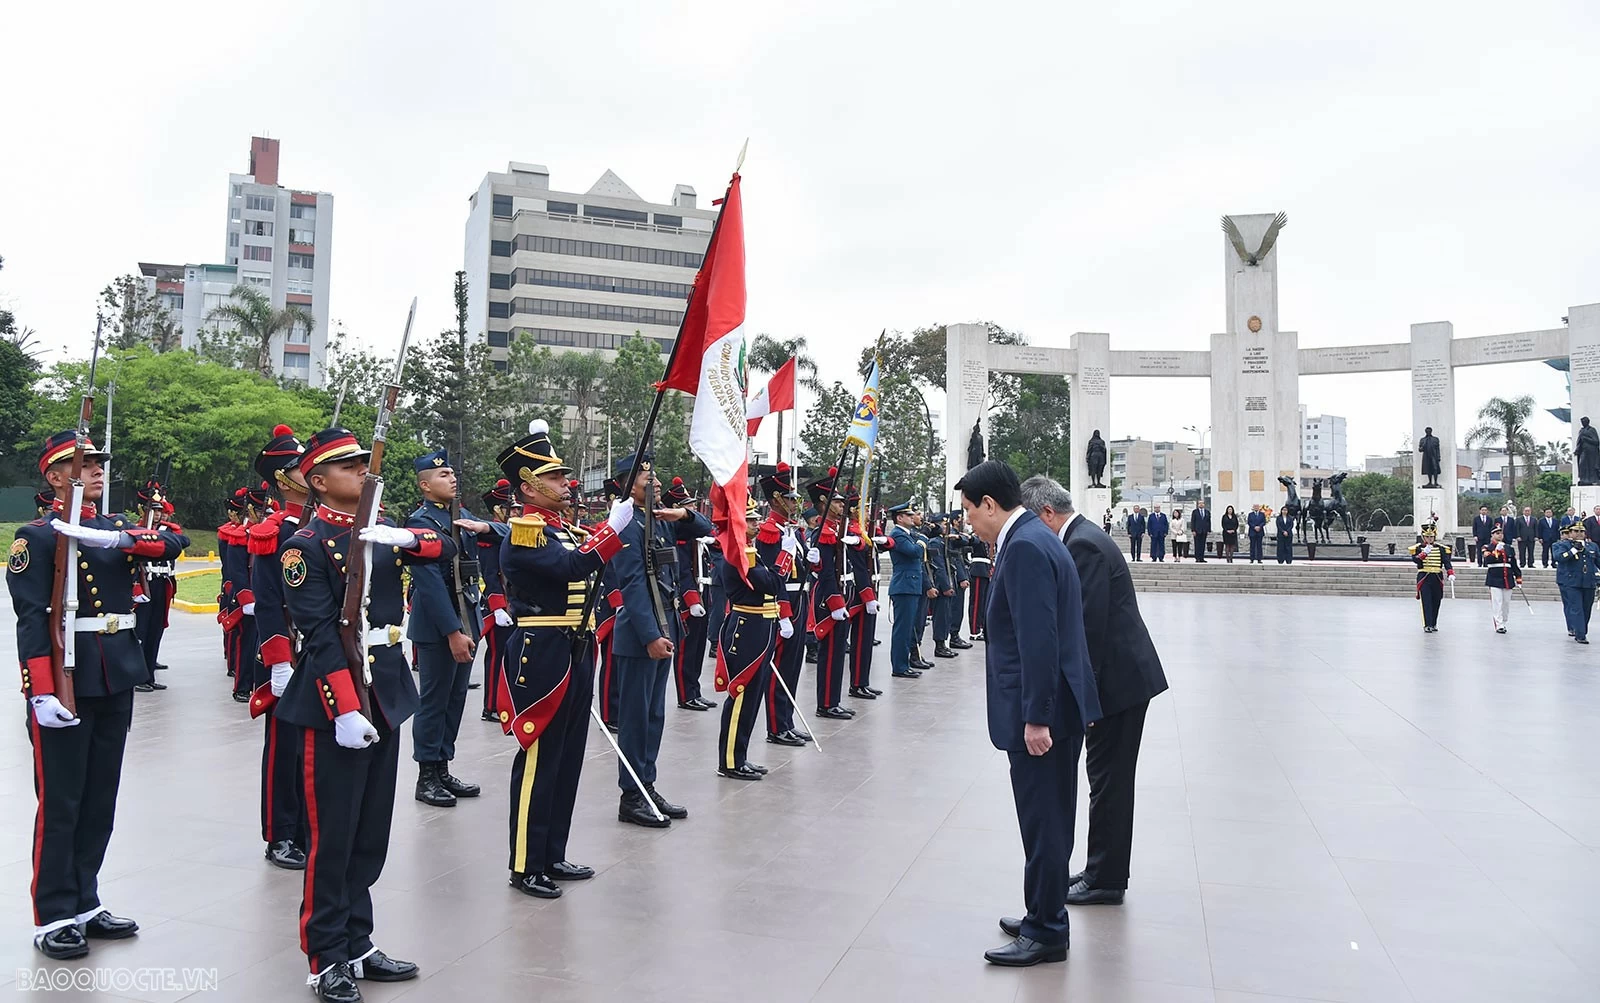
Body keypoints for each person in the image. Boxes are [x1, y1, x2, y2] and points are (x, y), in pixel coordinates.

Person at [275, 427, 453, 1001]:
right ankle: (326, 954)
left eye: (362, 463)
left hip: (385, 692)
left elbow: (450, 547)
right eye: (348, 467)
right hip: (336, 704)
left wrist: (403, 534)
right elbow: (322, 635)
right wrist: (345, 709)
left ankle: (358, 939)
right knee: (332, 837)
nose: (362, 472)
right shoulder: (304, 546)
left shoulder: (377, 532)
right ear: (319, 482)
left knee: (370, 833)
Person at [9, 430, 186, 960]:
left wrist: (118, 541)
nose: (97, 471)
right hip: (67, 676)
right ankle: (54, 913)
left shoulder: (113, 528)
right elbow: (30, 621)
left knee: (100, 798)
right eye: (84, 464)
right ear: (55, 476)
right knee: (62, 801)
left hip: (115, 673)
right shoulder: (36, 538)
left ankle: (85, 900)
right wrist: (40, 691)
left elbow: (172, 542)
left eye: (99, 464)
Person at [955, 461, 1099, 967]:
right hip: (1053, 705)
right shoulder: (1036, 538)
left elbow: (1040, 640)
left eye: (971, 512)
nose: (969, 522)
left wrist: (1036, 716)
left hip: (1044, 713)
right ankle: (1043, 910)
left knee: (1044, 821)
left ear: (990, 505)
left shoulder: (1025, 549)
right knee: (1048, 817)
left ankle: (1046, 930)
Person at [493, 421, 629, 898]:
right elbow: (572, 568)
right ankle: (525, 864)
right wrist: (612, 528)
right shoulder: (526, 534)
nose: (565, 485)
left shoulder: (565, 530)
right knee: (539, 758)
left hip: (577, 647)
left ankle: (552, 851)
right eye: (553, 479)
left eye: (563, 477)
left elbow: (588, 567)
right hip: (544, 651)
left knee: (568, 757)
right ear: (529, 487)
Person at [1019, 476, 1167, 907]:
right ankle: (1101, 866)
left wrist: (1084, 702)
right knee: (1106, 780)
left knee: (1110, 782)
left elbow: (1087, 630)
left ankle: (1106, 878)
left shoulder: (1081, 544)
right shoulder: (1085, 536)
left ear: (1047, 513)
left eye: (1033, 522)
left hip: (1118, 686)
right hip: (1120, 681)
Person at [609, 453, 712, 827]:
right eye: (645, 477)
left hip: (666, 625)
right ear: (626, 484)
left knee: (654, 716)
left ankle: (647, 785)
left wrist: (682, 515)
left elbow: (707, 528)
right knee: (635, 719)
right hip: (641, 635)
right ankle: (631, 795)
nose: (654, 482)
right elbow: (633, 585)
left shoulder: (660, 519)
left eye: (655, 476)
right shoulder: (626, 525)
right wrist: (651, 635)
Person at [405, 449, 487, 808]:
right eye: (443, 476)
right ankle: (426, 776)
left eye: (453, 474)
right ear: (425, 485)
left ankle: (442, 767)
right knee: (433, 701)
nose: (452, 479)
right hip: (440, 626)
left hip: (468, 618)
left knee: (455, 700)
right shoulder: (419, 524)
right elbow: (430, 584)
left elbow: (497, 534)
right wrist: (453, 631)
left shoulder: (462, 516)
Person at [248, 426, 310, 872]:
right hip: (289, 654)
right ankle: (281, 833)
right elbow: (269, 603)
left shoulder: (329, 524)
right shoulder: (274, 531)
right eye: (299, 467)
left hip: (324, 652)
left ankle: (309, 827)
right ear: (283, 479)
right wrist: (279, 662)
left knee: (315, 749)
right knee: (284, 748)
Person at [714, 496, 792, 780]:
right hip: (747, 627)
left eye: (757, 519)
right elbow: (771, 583)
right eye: (750, 520)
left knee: (754, 694)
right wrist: (784, 560)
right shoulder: (738, 553)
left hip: (761, 626)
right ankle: (730, 761)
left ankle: (740, 755)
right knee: (742, 693)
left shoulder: (749, 550)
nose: (757, 524)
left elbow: (770, 583)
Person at [761, 465, 812, 745]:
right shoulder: (770, 531)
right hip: (784, 603)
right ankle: (776, 726)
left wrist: (810, 561)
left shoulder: (794, 531)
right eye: (790, 498)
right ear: (776, 500)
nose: (795, 503)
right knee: (779, 666)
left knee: (793, 665)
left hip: (800, 598)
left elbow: (799, 568)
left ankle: (787, 720)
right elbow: (773, 576)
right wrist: (783, 612)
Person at [808, 467, 864, 714]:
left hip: (842, 594)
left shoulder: (836, 529)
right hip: (829, 598)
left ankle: (833, 700)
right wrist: (835, 602)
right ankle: (827, 703)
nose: (842, 505)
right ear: (824, 503)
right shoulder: (823, 532)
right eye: (837, 501)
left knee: (839, 650)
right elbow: (827, 572)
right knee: (830, 652)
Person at [663, 478, 715, 712]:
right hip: (687, 600)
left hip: (703, 594)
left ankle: (695, 690)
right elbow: (682, 572)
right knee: (686, 650)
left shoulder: (696, 537)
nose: (692, 509)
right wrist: (692, 600)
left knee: (698, 649)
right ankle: (686, 695)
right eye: (686, 506)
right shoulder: (679, 539)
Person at [131, 480, 186, 692]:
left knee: (155, 629)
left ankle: (148, 674)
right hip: (145, 584)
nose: (159, 513)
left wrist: (158, 533)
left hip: (162, 583)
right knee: (141, 630)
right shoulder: (136, 529)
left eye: (159, 509)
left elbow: (183, 541)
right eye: (153, 509)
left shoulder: (166, 531)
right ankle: (138, 675)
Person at [477, 479, 516, 723]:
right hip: (498, 605)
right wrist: (498, 606)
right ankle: (491, 705)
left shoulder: (513, 532)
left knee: (510, 657)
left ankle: (506, 704)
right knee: (497, 656)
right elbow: (490, 573)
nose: (515, 513)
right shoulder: (488, 535)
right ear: (498, 510)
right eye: (510, 509)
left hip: (515, 603)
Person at [846, 484, 889, 697]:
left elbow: (888, 544)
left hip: (871, 587)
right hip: (860, 592)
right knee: (860, 640)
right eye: (863, 508)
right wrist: (867, 596)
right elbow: (859, 567)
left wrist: (882, 539)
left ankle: (862, 680)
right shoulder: (853, 531)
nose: (866, 511)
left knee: (867, 640)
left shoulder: (864, 529)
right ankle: (856, 683)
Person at [884, 501, 926, 680]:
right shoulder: (898, 535)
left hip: (910, 585)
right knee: (902, 629)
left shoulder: (907, 534)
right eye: (908, 515)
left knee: (908, 628)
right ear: (899, 518)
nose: (912, 517)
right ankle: (900, 666)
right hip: (904, 586)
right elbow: (914, 552)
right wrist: (922, 542)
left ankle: (905, 663)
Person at [1554, 522, 1599, 643]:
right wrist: (1573, 550)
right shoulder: (1564, 545)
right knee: (1576, 608)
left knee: (1586, 609)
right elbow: (1559, 557)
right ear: (1570, 533)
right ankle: (1580, 634)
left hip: (1589, 582)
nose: (1579, 534)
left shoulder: (1592, 546)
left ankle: (1581, 629)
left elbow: (1597, 563)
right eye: (1576, 531)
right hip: (1572, 582)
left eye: (1582, 532)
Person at [1409, 522, 1455, 633]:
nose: (1429, 538)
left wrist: (1450, 573)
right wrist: (1423, 553)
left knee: (1436, 601)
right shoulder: (1418, 548)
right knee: (1426, 601)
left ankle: (1433, 623)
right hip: (1424, 576)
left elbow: (1446, 562)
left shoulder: (1441, 548)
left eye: (1431, 536)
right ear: (1423, 537)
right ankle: (1427, 624)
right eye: (1427, 536)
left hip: (1437, 577)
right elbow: (1415, 560)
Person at [1482, 525, 1522, 634]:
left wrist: (1518, 577)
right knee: (1497, 602)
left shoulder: (1509, 548)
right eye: (1497, 533)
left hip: (1507, 579)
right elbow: (1488, 560)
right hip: (1495, 578)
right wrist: (1496, 551)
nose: (1499, 535)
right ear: (1492, 535)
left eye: (1501, 533)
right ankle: (1499, 624)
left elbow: (1513, 564)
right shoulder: (1487, 547)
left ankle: (1504, 621)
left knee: (1506, 603)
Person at [966, 528, 991, 641]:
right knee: (976, 602)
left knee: (983, 601)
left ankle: (980, 627)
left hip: (985, 570)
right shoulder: (976, 536)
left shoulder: (987, 537)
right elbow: (973, 540)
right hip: (978, 570)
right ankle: (974, 631)